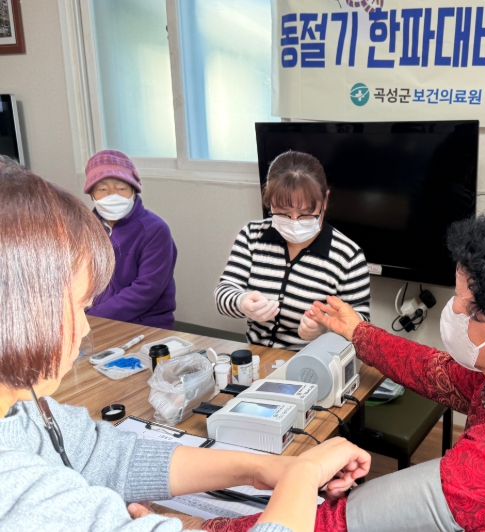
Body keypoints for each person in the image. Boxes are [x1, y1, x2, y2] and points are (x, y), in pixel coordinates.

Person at [0, 163, 370, 532]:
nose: (85, 328)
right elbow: (225, 292)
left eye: (304, 213)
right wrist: (303, 474)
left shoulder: (26, 413)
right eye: (80, 306)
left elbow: (108, 456)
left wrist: (262, 467)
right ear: (18, 308)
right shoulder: (21, 495)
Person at [206, 213, 485, 532]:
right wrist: (357, 332)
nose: (454, 310)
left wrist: (197, 526)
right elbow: (434, 372)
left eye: (460, 298)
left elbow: (339, 523)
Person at [215, 151, 370, 350]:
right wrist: (241, 301)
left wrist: (324, 330)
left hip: (313, 360)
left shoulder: (348, 256)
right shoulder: (252, 236)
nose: (294, 222)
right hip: (256, 357)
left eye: (305, 214)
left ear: (324, 202)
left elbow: (361, 328)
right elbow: (224, 292)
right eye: (283, 213)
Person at [84, 149, 178, 329]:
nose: (112, 195)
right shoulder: (84, 229)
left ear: (134, 191)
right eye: (102, 189)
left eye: (121, 189)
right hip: (92, 321)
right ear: (92, 195)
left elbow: (146, 290)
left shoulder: (155, 230)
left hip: (145, 324)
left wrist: (92, 318)